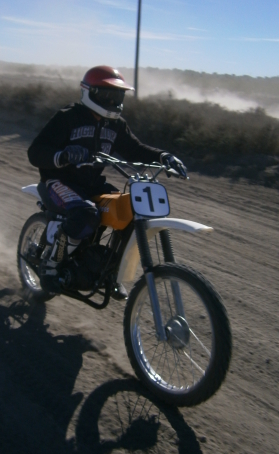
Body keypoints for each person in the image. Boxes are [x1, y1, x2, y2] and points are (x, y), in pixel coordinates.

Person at [27, 65, 187, 295]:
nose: (113, 102)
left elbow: (135, 150)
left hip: (92, 184)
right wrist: (62, 156)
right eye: (107, 95)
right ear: (89, 92)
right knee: (86, 214)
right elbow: (35, 152)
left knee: (130, 209)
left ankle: (110, 272)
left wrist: (163, 156)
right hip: (59, 182)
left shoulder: (116, 125)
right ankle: (51, 265)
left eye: (118, 96)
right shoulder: (68, 118)